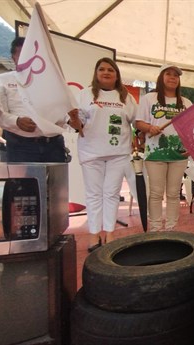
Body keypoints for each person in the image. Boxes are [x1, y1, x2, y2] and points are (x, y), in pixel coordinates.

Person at [67, 57, 137, 251]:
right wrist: (73, 118)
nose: (106, 73)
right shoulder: (84, 94)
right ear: (96, 74)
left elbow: (135, 120)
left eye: (110, 70)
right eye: (102, 69)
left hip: (119, 153)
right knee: (94, 195)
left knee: (111, 194)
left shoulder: (126, 97)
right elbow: (77, 124)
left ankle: (110, 233)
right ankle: (94, 234)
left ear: (116, 75)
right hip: (91, 152)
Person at [136, 64, 192, 231]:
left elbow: (192, 129)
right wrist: (149, 128)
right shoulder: (149, 99)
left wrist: (191, 147)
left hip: (179, 155)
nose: (172, 77)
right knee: (155, 194)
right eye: (168, 74)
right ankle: (154, 230)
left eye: (176, 75)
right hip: (155, 155)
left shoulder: (186, 102)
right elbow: (138, 122)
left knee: (174, 194)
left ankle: (171, 229)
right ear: (161, 77)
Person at [0, 37, 68, 163]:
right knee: (25, 183)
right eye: (22, 54)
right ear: (13, 57)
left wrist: (70, 119)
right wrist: (17, 121)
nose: (28, 59)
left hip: (54, 144)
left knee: (57, 183)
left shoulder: (51, 81)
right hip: (21, 146)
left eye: (31, 55)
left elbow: (62, 110)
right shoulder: (1, 80)